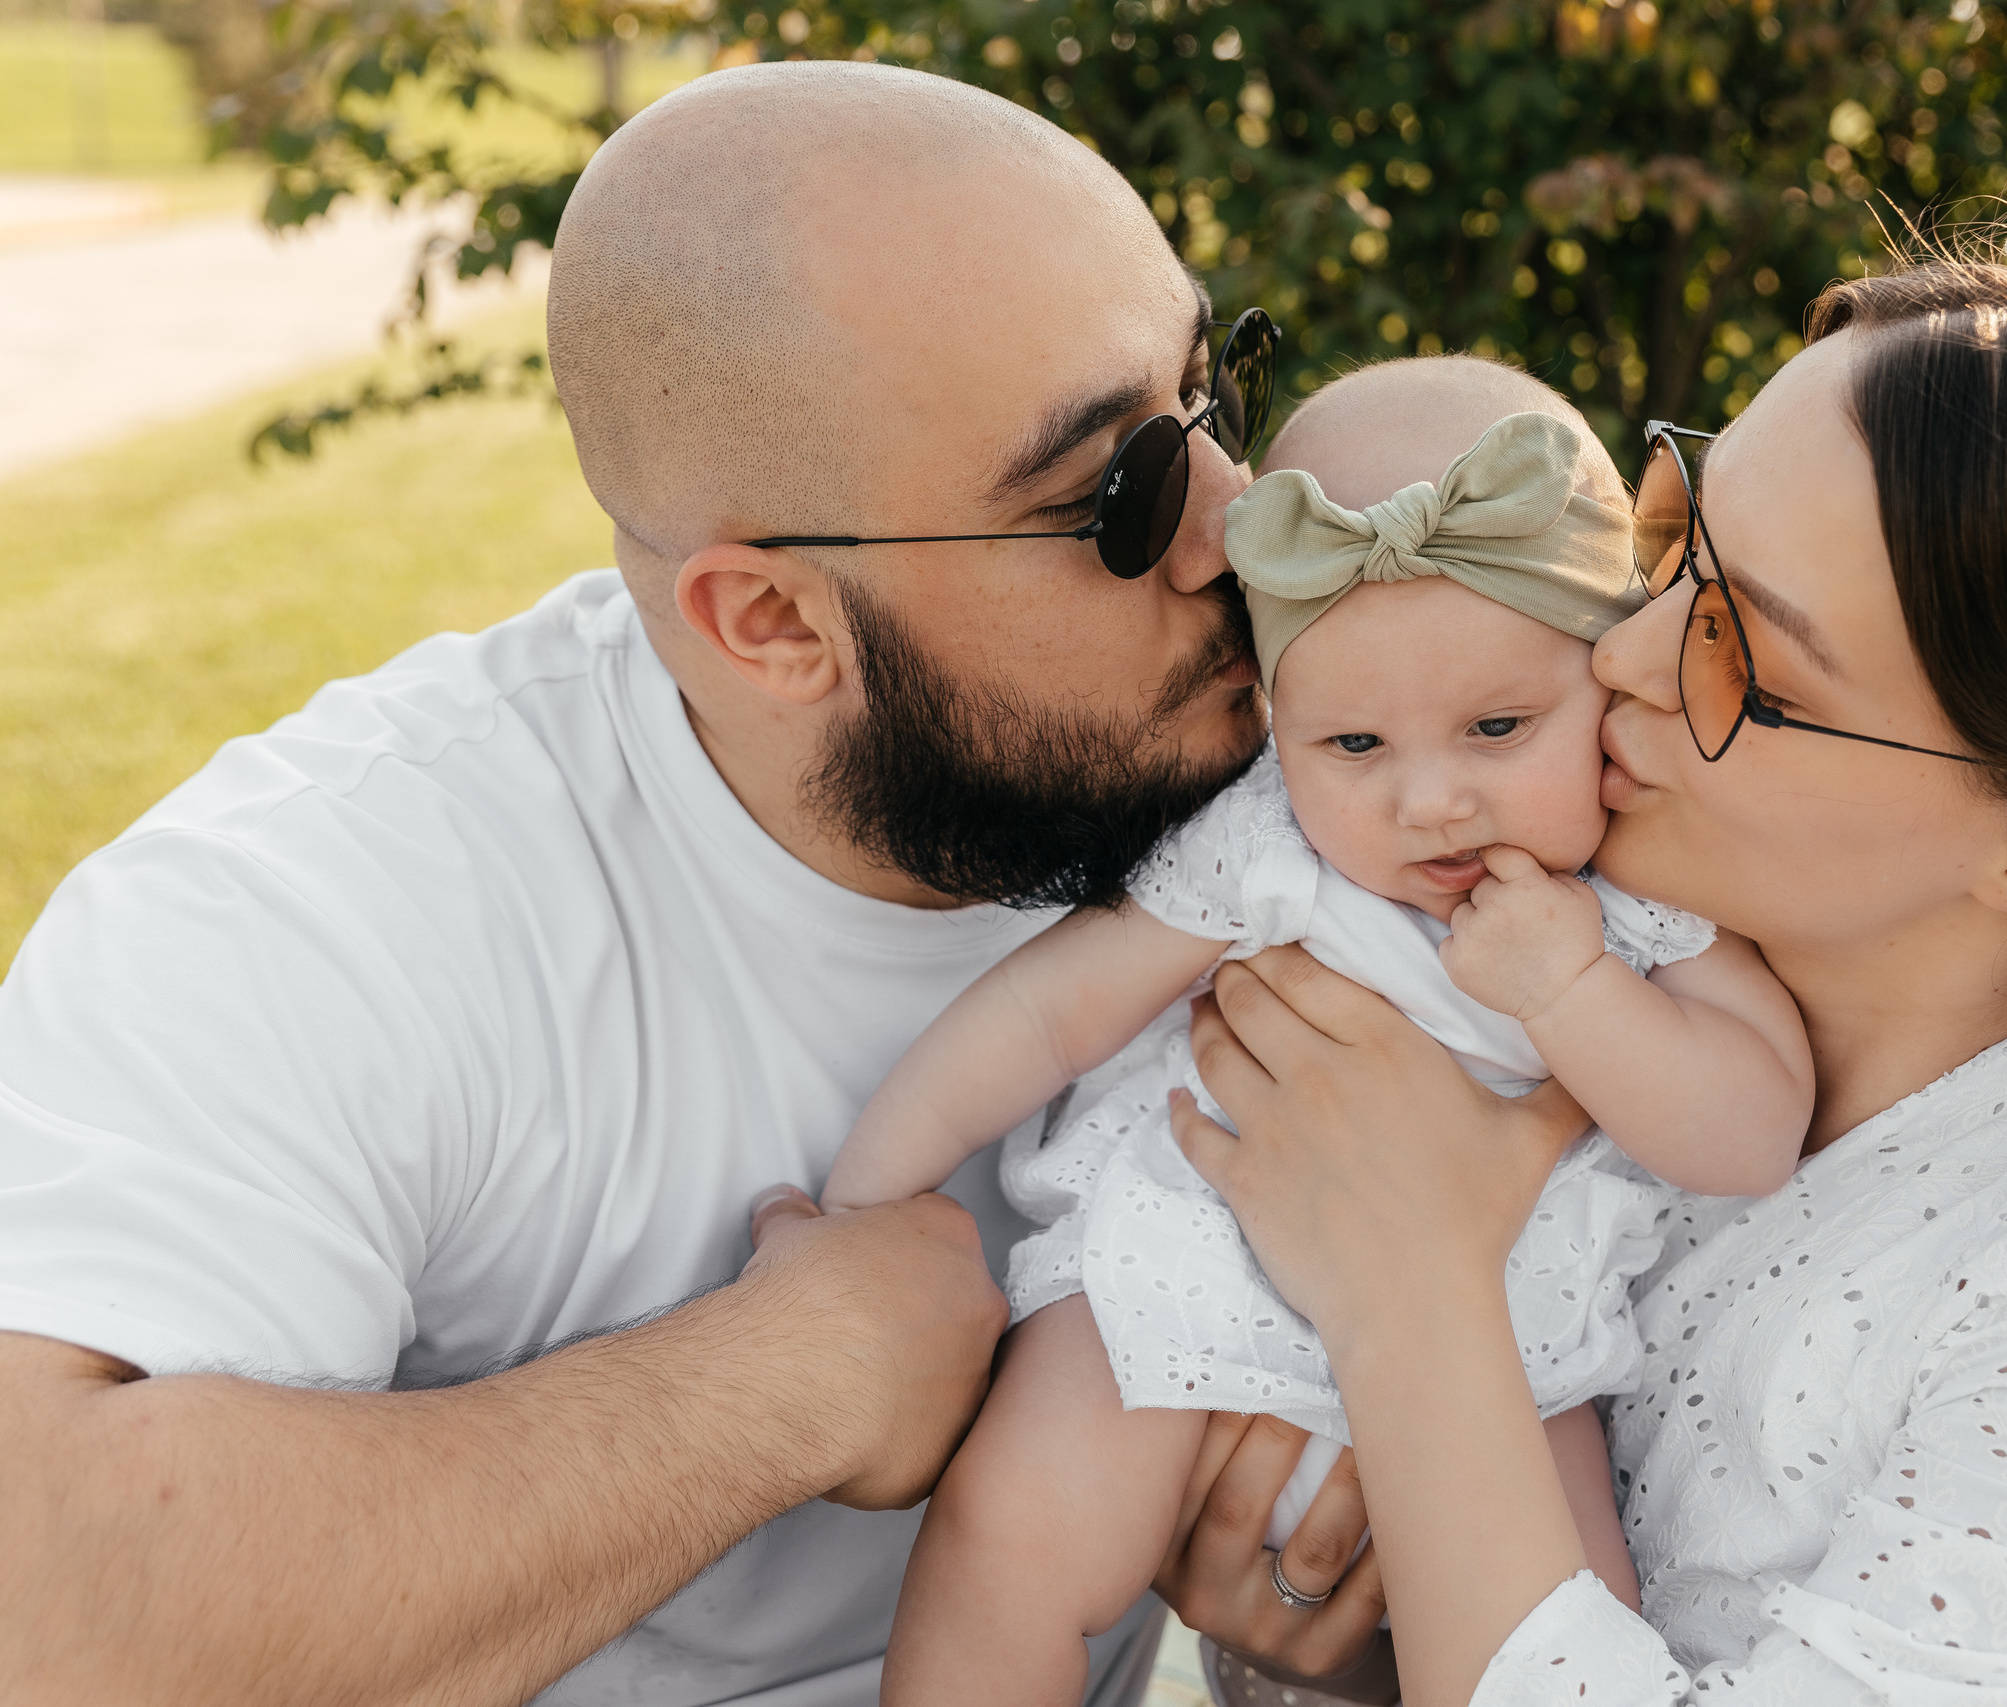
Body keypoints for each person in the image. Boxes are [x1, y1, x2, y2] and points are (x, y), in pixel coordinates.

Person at [0, 61, 1272, 1706]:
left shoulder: (1317, 759)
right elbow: (48, 1607)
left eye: (1213, 393)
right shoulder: (324, 908)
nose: (1242, 527)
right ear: (773, 626)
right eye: (1122, 494)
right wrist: (784, 1385)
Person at [1151, 229, 2007, 1705]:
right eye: (1669, 553)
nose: (1622, 657)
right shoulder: (1575, 991)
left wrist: (1408, 1285)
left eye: (1743, 660)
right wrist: (1332, 1655)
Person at [824, 359, 1816, 1705]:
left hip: (1506, 1360)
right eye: (1353, 743)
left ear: (1609, 682)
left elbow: (1751, 1130)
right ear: (1278, 725)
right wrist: (864, 1199)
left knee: (1572, 1628)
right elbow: (1050, 1006)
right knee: (1015, 1535)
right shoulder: (1267, 850)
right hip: (1187, 1272)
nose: (1430, 801)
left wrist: (1575, 991)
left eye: (1498, 726)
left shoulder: (1638, 900)